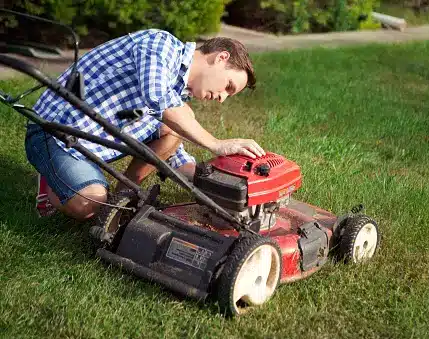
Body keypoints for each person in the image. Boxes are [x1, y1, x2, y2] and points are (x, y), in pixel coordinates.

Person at [25, 28, 266, 220]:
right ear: (221, 57)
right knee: (89, 204)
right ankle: (50, 183)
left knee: (173, 129)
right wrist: (217, 145)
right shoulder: (160, 45)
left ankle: (125, 193)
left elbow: (170, 145)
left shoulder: (180, 92)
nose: (222, 98)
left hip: (95, 140)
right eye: (228, 86)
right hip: (55, 133)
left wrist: (210, 182)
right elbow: (158, 99)